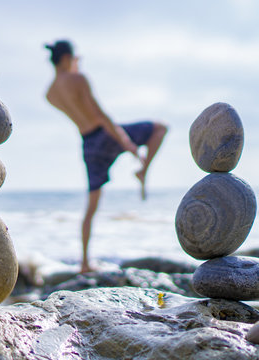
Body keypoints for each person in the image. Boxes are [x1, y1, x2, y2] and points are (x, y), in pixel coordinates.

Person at [44, 40, 168, 273]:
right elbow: (100, 115)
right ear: (66, 59)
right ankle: (142, 171)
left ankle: (84, 263)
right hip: (105, 135)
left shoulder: (50, 94)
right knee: (160, 128)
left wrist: (72, 71)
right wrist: (128, 144)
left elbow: (75, 102)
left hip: (89, 146)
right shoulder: (79, 79)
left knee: (90, 208)